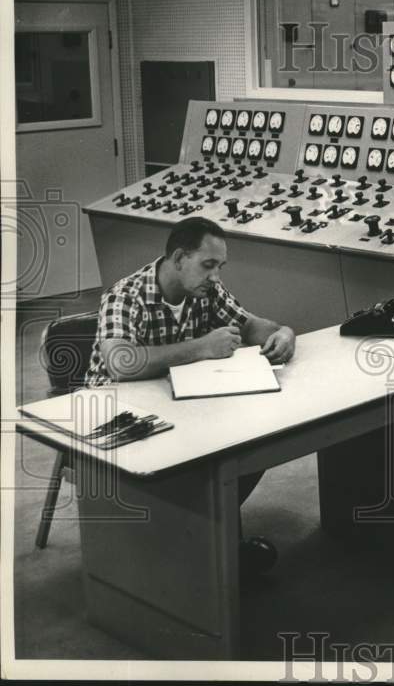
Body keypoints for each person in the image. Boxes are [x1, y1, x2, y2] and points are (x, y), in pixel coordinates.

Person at [84, 216, 296, 574]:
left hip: (179, 402)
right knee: (200, 458)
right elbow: (120, 363)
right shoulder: (125, 295)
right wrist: (200, 348)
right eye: (208, 265)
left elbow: (249, 324)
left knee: (253, 442)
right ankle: (194, 541)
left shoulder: (206, 290)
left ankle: (208, 535)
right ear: (179, 258)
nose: (216, 276)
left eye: (220, 267)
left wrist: (284, 333)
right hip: (115, 414)